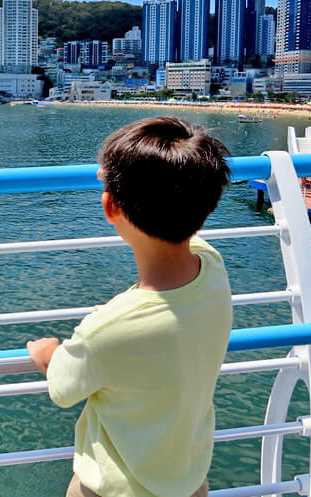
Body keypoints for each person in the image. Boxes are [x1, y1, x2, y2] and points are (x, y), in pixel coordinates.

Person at [27, 116, 233, 497]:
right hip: (189, 482)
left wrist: (46, 352)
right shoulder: (214, 272)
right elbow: (189, 232)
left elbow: (62, 387)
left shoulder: (104, 332)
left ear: (110, 206)